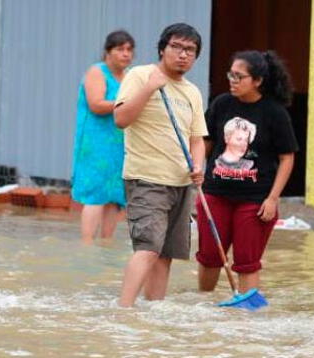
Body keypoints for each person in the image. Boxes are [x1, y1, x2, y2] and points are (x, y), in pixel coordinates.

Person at [114, 23, 207, 307]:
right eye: (177, 47)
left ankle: (155, 310)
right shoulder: (140, 75)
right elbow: (121, 119)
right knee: (148, 248)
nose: (183, 54)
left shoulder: (192, 92)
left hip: (181, 181)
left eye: (190, 50)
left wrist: (198, 166)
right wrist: (150, 89)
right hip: (146, 178)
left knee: (166, 254)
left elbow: (197, 139)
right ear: (162, 49)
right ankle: (123, 310)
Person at [196, 50, 298, 294]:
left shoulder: (275, 113)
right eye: (230, 74)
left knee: (246, 262)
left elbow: (287, 158)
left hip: (255, 201)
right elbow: (205, 142)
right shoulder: (221, 104)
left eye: (239, 76)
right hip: (215, 194)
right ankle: (203, 306)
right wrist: (197, 165)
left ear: (258, 81)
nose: (232, 80)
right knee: (209, 256)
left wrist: (273, 199)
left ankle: (246, 319)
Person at [72, 30, 135, 242]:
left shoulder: (129, 76)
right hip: (96, 143)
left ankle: (106, 244)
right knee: (95, 195)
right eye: (120, 49)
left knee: (114, 197)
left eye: (129, 49)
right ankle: (87, 245)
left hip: (121, 144)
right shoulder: (97, 71)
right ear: (107, 52)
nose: (125, 54)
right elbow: (96, 104)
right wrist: (129, 104)